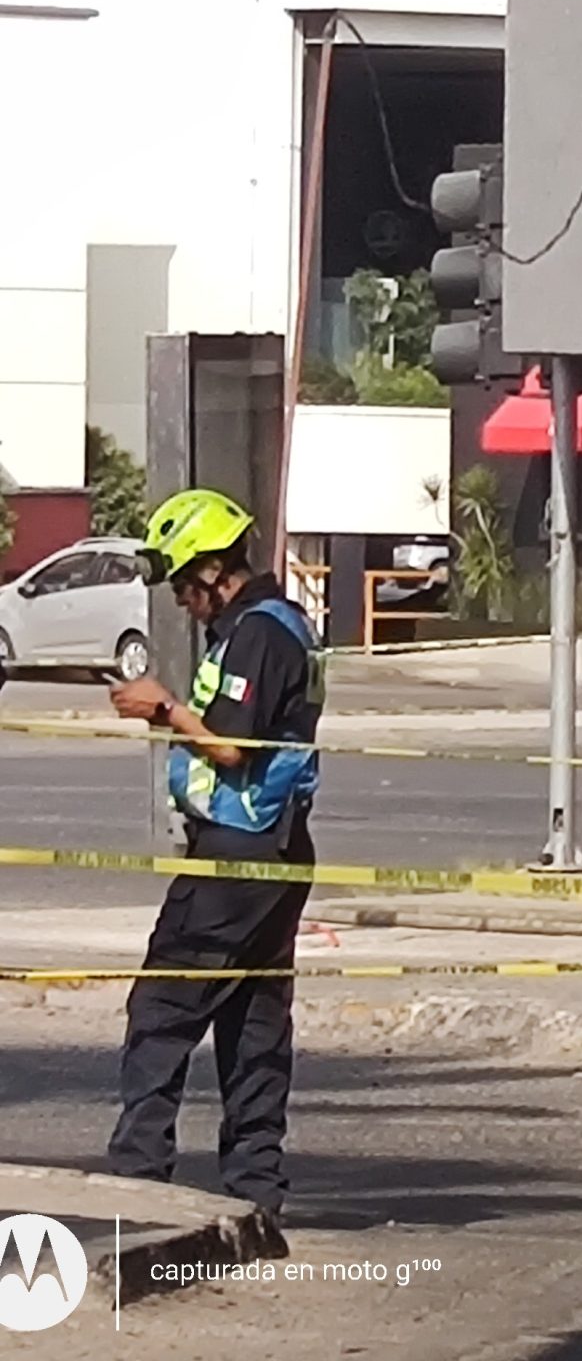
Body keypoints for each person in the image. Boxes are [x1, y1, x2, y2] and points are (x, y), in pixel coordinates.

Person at [103, 489, 325, 1220]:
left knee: (162, 1009)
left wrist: (163, 709)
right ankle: (256, 1195)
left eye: (180, 582)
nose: (179, 599)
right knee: (253, 1021)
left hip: (238, 856)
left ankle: (137, 1184)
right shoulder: (277, 625)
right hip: (275, 848)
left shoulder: (259, 635)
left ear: (210, 568)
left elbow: (231, 746)